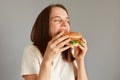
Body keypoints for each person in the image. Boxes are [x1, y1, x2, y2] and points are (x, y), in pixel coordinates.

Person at [21, 4, 88, 80]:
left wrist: (80, 60)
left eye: (67, 21)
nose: (64, 24)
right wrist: (47, 60)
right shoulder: (31, 51)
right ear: (45, 26)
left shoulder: (72, 50)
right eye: (57, 20)